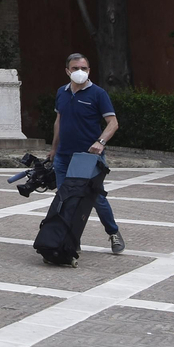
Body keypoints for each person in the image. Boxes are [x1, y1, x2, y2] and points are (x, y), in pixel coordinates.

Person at [48, 52, 125, 255]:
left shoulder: (98, 94)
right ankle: (70, 238)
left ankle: (113, 233)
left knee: (96, 198)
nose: (80, 72)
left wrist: (100, 142)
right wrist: (54, 149)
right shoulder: (61, 93)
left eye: (84, 68)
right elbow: (59, 121)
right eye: (75, 68)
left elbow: (113, 123)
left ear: (89, 70)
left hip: (88, 158)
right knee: (65, 198)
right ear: (67, 71)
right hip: (64, 156)